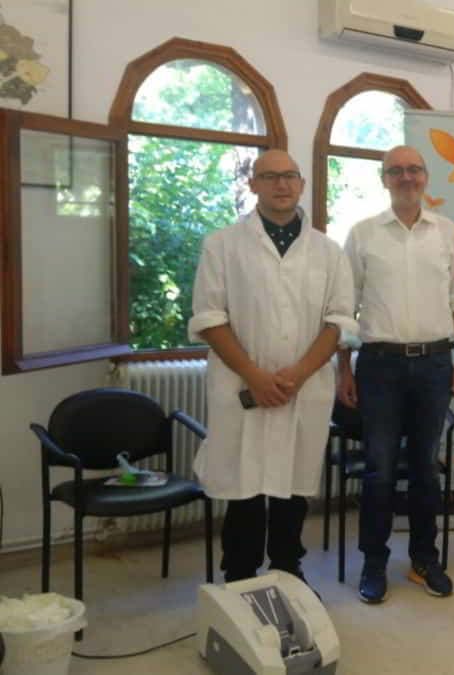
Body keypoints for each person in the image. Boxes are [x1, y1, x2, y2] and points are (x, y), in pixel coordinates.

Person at [189, 149, 356, 584]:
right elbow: (209, 317)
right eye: (269, 176)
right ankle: (240, 576)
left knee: (293, 486)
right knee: (243, 485)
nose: (281, 184)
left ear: (302, 184)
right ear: (253, 185)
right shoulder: (222, 245)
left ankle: (287, 570)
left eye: (289, 176)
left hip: (305, 386)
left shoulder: (328, 251)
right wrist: (255, 376)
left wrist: (296, 375)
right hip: (242, 386)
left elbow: (339, 320)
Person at [339, 145, 454, 603]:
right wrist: (344, 370)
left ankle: (423, 560)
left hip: (435, 364)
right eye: (396, 171)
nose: (406, 177)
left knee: (424, 471)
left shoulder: (447, 232)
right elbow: (345, 308)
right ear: (384, 180)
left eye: (414, 169)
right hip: (380, 365)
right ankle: (374, 563)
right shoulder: (362, 234)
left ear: (426, 176)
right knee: (379, 470)